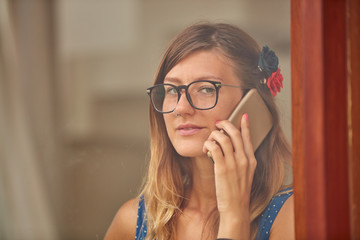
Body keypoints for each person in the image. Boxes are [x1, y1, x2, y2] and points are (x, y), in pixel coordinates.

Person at [105, 22, 294, 240]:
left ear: (253, 103)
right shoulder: (133, 221)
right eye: (172, 90)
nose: (181, 108)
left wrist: (234, 217)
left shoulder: (289, 216)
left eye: (206, 88)